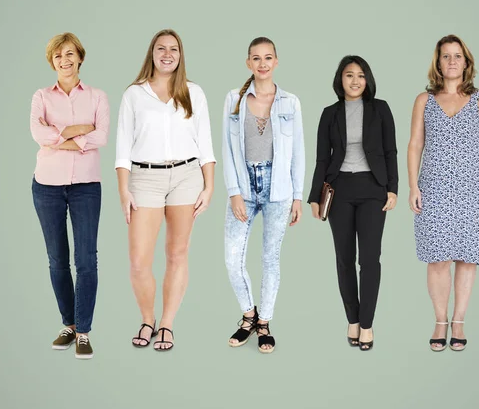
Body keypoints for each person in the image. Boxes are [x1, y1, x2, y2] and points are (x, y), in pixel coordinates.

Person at [115, 29, 216, 351]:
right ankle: (148, 319)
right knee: (139, 261)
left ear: (181, 54)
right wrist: (123, 190)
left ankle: (167, 324)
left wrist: (209, 185)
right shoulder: (134, 94)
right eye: (162, 48)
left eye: (174, 49)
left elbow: (206, 145)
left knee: (177, 253)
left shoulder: (193, 92)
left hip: (187, 176)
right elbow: (122, 147)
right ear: (152, 54)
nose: (168, 54)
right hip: (144, 179)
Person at [407, 34, 479, 352]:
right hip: (433, 187)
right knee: (438, 259)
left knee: (466, 257)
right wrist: (413, 185)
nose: (452, 61)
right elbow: (415, 144)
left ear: (466, 61)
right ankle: (440, 320)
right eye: (446, 56)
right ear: (438, 62)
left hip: (472, 188)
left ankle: (459, 320)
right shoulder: (424, 100)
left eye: (457, 56)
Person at [308, 55, 398, 351]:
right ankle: (353, 320)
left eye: (360, 75)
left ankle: (368, 324)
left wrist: (393, 189)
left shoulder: (380, 109)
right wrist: (313, 197)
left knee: (369, 260)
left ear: (368, 79)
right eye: (349, 75)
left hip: (374, 189)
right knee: (344, 259)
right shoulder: (329, 113)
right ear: (340, 80)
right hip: (340, 191)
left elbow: (390, 151)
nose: (355, 80)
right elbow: (322, 157)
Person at [30, 32, 110, 360]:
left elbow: (102, 136)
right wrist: (79, 130)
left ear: (80, 57)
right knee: (57, 260)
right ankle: (68, 324)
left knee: (86, 259)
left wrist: (56, 135)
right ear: (52, 62)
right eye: (58, 56)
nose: (64, 60)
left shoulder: (97, 96)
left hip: (86, 186)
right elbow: (37, 133)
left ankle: (84, 331)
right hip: (46, 185)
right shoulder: (40, 96)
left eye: (70, 54)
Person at [223, 37, 304, 354]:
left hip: (279, 188)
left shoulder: (291, 102)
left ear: (276, 61)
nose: (262, 63)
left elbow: (298, 152)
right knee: (232, 259)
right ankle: (248, 315)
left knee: (270, 259)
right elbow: (227, 150)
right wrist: (234, 192)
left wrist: (298, 196)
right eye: (256, 58)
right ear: (248, 63)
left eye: (268, 57)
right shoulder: (233, 99)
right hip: (244, 184)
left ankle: (265, 323)